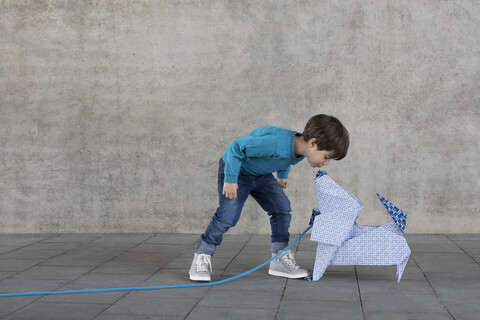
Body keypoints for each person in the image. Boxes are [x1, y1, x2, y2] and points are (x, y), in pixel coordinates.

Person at [189, 114, 350, 281]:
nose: (326, 163)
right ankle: (202, 254)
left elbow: (286, 159)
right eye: (326, 157)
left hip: (260, 174)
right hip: (236, 170)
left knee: (281, 208)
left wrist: (283, 174)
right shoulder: (275, 143)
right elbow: (236, 148)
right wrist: (230, 178)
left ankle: (278, 258)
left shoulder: (301, 150)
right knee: (228, 215)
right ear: (313, 143)